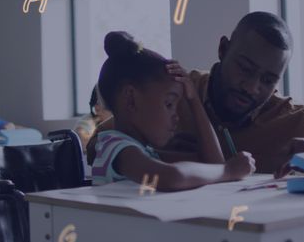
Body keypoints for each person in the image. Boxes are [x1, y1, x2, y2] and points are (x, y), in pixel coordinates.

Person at [87, 12, 304, 177]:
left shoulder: (294, 120)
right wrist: (153, 150)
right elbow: (101, 140)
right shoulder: (175, 91)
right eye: (245, 68)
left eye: (268, 80)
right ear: (223, 49)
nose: (251, 87)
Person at [90, 31, 255, 190]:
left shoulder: (144, 150)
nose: (176, 116)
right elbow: (172, 177)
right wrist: (229, 170)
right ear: (131, 99)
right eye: (169, 104)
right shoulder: (116, 147)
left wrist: (194, 100)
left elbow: (215, 165)